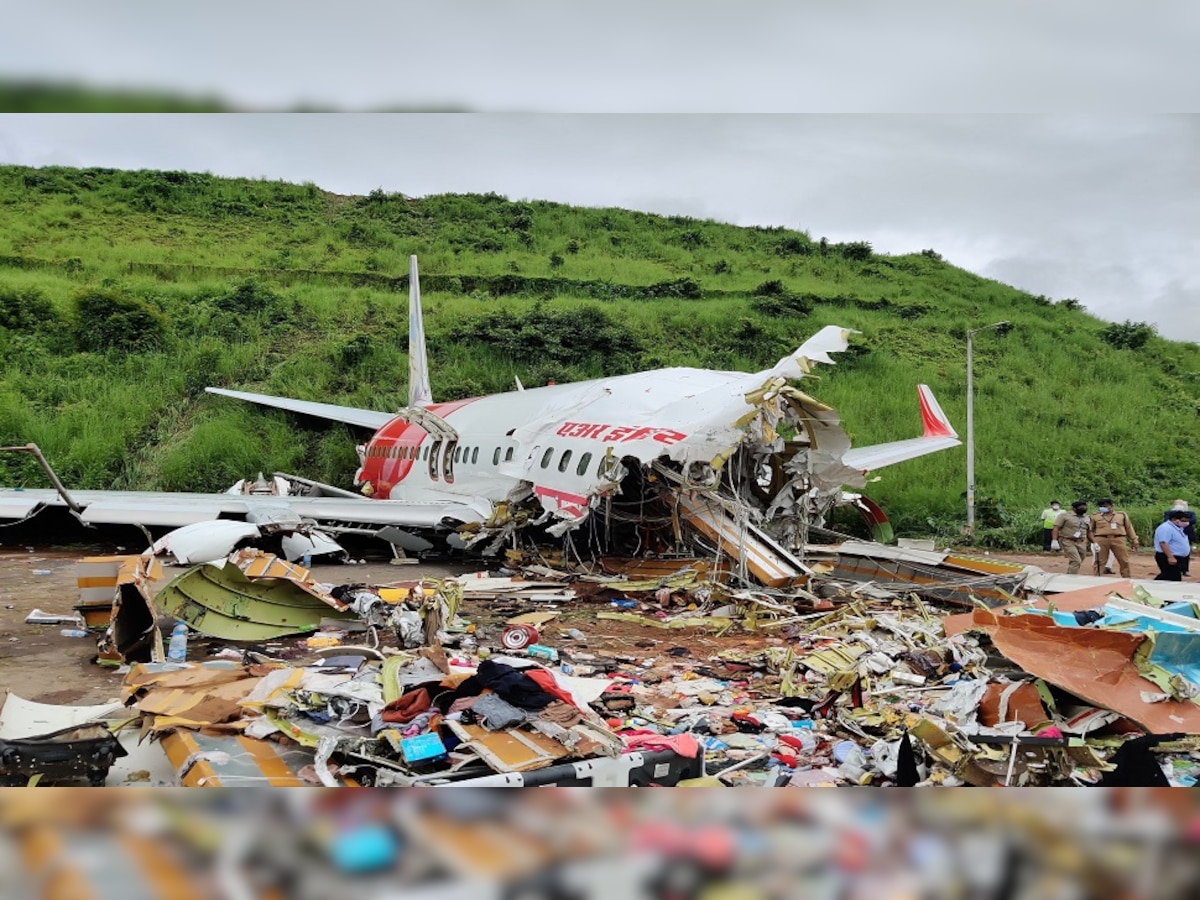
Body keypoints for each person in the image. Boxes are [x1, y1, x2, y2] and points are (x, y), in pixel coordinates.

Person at [1089, 498, 1138, 578]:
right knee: (1099, 561)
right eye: (1101, 506)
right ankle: (1097, 578)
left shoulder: (1121, 515)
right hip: (1101, 539)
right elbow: (1090, 530)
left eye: (1105, 506)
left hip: (1118, 539)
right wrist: (1094, 541)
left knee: (1124, 560)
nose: (1103, 507)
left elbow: (1129, 528)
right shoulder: (1095, 516)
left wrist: (1134, 539)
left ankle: (1126, 578)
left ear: (1111, 506)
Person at [1052, 500, 1093, 575]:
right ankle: (1072, 578)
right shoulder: (1064, 516)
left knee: (1079, 560)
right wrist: (1054, 540)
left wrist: (1095, 543)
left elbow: (1089, 531)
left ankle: (1069, 574)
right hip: (1068, 541)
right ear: (1074, 508)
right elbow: (1056, 528)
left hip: (1081, 542)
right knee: (1076, 561)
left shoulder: (1086, 517)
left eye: (1085, 506)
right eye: (1081, 507)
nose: (1084, 508)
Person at [1153, 510, 1192, 581]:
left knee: (1169, 576)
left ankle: (1153, 586)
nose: (1185, 523)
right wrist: (1170, 557)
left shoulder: (1178, 528)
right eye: (1183, 520)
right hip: (1166, 556)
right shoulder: (1166, 528)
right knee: (1172, 576)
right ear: (1174, 519)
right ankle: (1152, 586)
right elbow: (1163, 543)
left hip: (1177, 557)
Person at [1163, 500, 1196, 577]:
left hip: (1186, 535)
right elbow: (1166, 520)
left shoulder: (1190, 513)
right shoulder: (1169, 513)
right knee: (1173, 552)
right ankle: (1174, 568)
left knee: (1186, 553)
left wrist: (1180, 521)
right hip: (1173, 536)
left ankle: (1184, 570)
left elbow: (1193, 520)